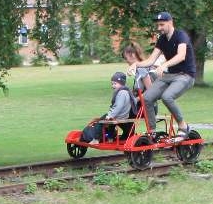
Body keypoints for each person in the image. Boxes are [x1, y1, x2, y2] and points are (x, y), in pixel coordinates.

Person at [134, 11, 195, 139]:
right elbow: (151, 60)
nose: (159, 28)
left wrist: (164, 65)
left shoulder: (181, 36)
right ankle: (152, 132)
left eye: (162, 25)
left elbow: (181, 55)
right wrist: (136, 64)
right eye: (158, 25)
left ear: (170, 22)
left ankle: (183, 126)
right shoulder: (162, 39)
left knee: (167, 97)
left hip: (185, 75)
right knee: (147, 98)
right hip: (169, 75)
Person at [80, 71, 134, 144]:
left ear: (121, 83)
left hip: (118, 116)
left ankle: (96, 139)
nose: (113, 86)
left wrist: (110, 115)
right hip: (123, 115)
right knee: (110, 124)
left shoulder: (121, 93)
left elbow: (118, 106)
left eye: (115, 84)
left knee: (100, 122)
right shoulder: (126, 92)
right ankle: (110, 138)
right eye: (112, 84)